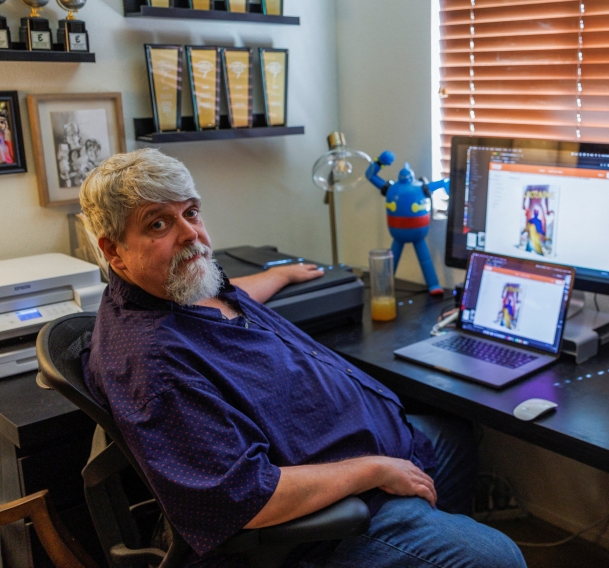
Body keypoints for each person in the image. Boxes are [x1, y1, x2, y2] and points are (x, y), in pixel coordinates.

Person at [79, 149, 526, 568]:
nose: (190, 235)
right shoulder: (156, 366)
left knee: (454, 435)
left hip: (358, 454)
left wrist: (279, 274)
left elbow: (231, 297)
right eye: (158, 225)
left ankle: (431, 535)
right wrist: (375, 470)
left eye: (191, 213)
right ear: (115, 252)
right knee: (497, 557)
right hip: (324, 524)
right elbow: (247, 496)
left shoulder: (181, 290)